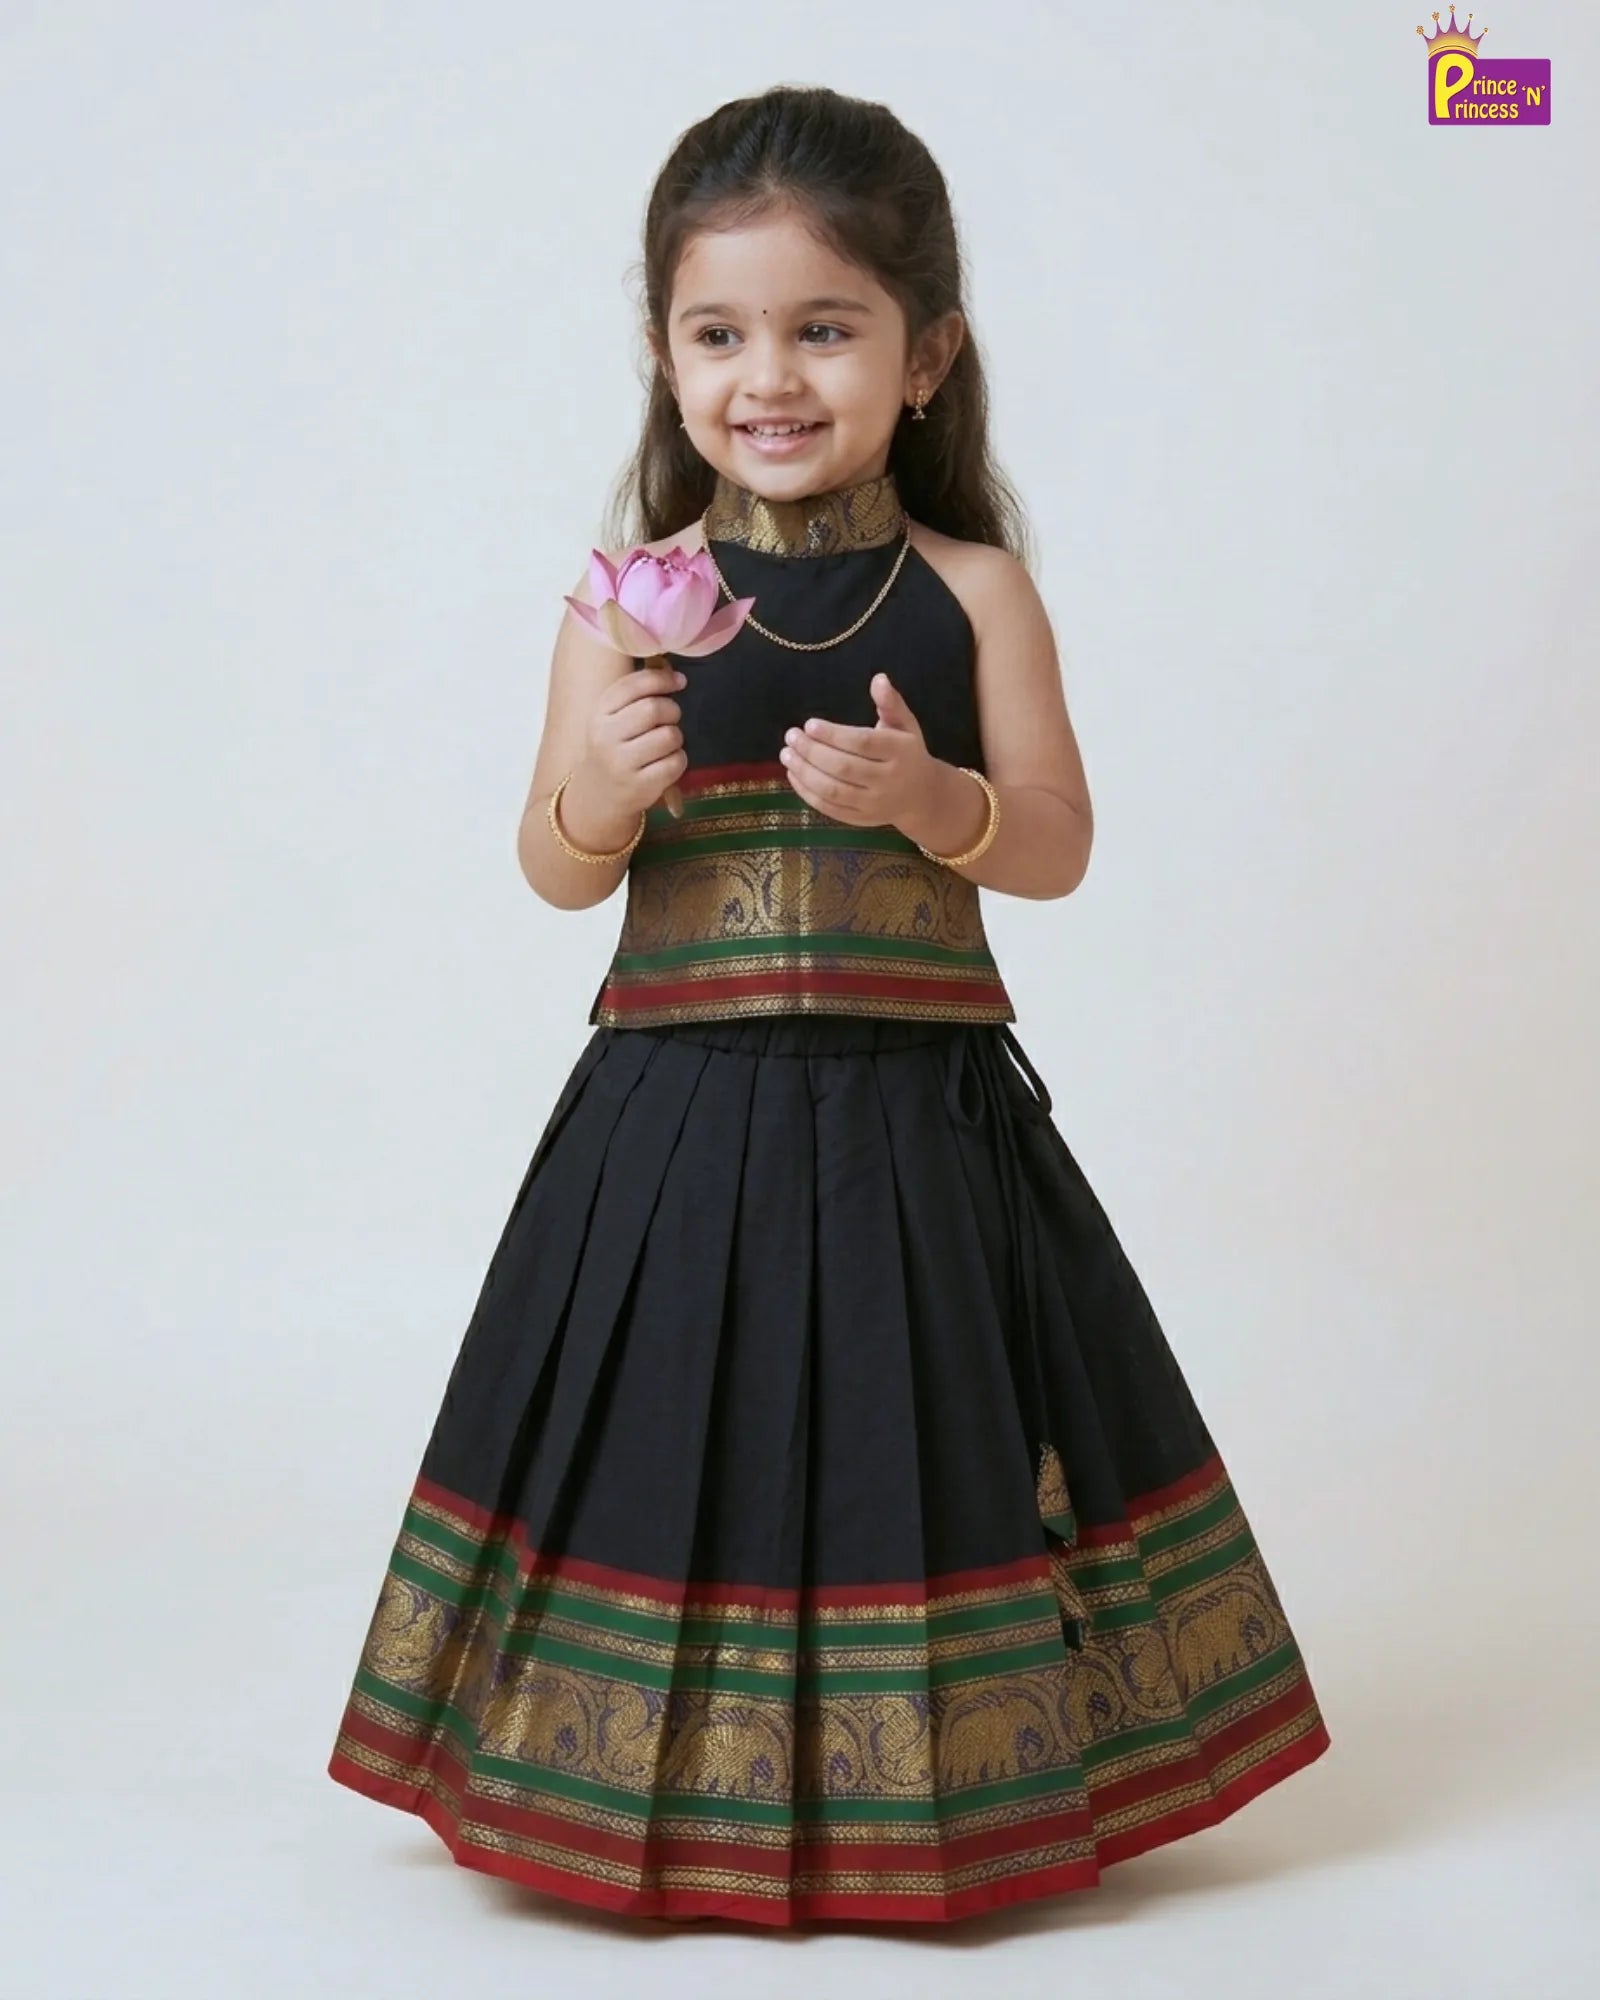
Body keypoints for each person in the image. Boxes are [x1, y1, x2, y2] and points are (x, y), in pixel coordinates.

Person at [326, 82, 1331, 1929]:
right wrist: (602, 798)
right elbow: (554, 872)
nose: (768, 375)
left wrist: (930, 803)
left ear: (926, 354)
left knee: (911, 1438)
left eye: (826, 327)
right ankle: (649, 1797)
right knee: (667, 1440)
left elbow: (1055, 844)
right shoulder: (626, 603)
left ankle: (935, 1799)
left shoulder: (970, 589)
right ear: (662, 353)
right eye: (720, 332)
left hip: (913, 1132)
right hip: (675, 1131)